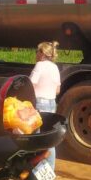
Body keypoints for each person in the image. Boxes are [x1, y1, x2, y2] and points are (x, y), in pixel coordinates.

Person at [29, 41, 61, 170]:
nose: (36, 54)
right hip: (51, 103)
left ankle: (36, 171)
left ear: (42, 54)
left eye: (37, 51)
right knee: (49, 138)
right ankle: (49, 170)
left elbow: (30, 85)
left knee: (37, 138)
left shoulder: (39, 66)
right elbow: (58, 89)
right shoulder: (55, 67)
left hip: (39, 103)